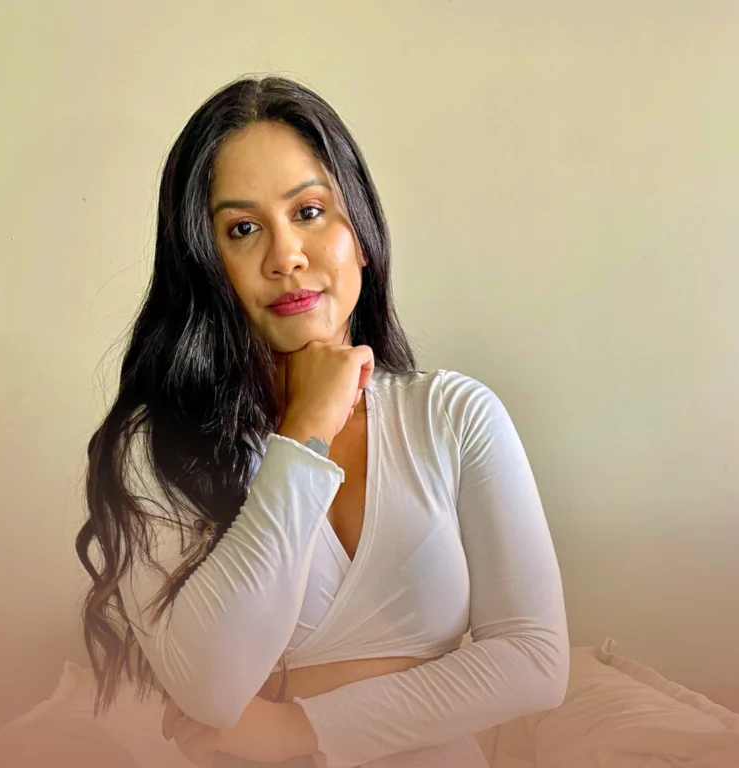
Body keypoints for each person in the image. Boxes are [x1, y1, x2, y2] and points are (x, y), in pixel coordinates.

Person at [76, 75, 569, 768]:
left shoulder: (454, 416)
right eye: (243, 229)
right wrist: (303, 431)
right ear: (206, 265)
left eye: (308, 211)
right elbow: (214, 688)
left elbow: (536, 660)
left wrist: (296, 724)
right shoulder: (156, 448)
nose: (285, 256)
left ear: (361, 233)